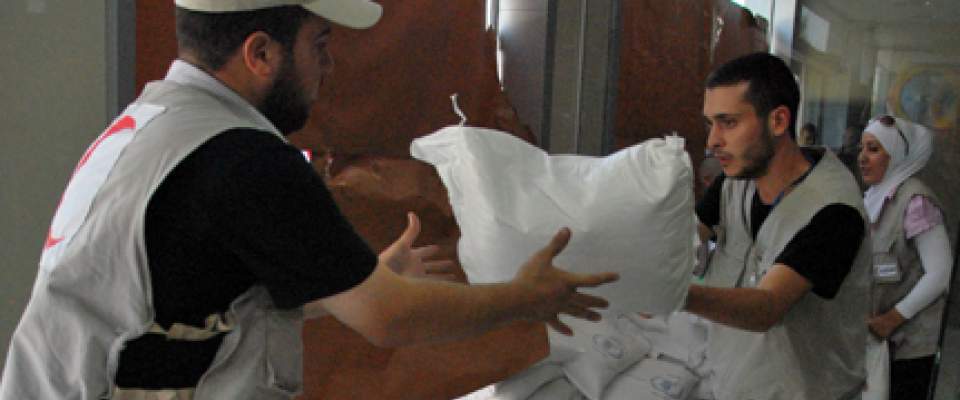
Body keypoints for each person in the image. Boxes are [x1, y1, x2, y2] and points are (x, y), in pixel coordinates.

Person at [0, 1, 619, 399]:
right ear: (261, 53)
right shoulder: (241, 158)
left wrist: (357, 281)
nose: (330, 66)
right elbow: (390, 319)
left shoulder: (155, 121)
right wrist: (528, 299)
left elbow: (194, 292)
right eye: (319, 44)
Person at [683, 52, 872, 399]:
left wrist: (673, 292)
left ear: (779, 121)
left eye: (728, 123)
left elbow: (766, 307)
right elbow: (688, 237)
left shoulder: (835, 211)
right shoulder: (733, 183)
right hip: (730, 384)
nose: (712, 141)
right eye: (710, 123)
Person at [859, 115, 953, 399]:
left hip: (909, 344)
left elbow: (940, 273)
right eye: (862, 148)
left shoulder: (915, 201)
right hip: (882, 339)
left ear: (897, 154)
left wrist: (893, 318)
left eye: (874, 150)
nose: (862, 158)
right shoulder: (874, 197)